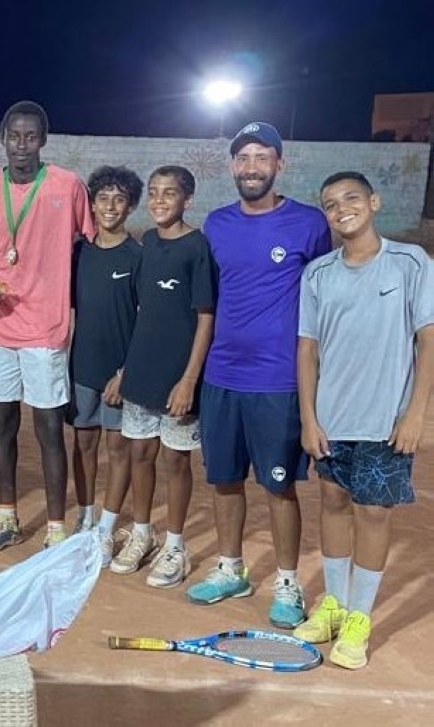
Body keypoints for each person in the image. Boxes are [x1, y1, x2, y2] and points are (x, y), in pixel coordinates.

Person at [185, 122, 332, 629]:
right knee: (224, 481)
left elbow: (324, 296)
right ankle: (231, 569)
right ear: (232, 166)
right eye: (243, 158)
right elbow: (208, 301)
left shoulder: (309, 224)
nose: (252, 167)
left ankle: (288, 582)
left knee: (278, 487)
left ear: (279, 165)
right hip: (222, 377)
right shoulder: (217, 224)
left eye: (262, 157)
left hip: (278, 382)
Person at [294, 171, 433, 669]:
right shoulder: (318, 274)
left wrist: (415, 414)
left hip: (385, 420)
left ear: (373, 202)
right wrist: (309, 418)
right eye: (330, 204)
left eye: (351, 198)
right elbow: (307, 350)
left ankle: (359, 619)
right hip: (332, 418)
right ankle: (334, 605)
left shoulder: (410, 262)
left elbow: (428, 341)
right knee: (333, 502)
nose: (342, 209)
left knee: (373, 513)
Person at [0, 100, 93, 553]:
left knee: (49, 427)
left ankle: (55, 526)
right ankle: (7, 516)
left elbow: (90, 243)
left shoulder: (67, 186)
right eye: (15, 136)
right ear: (3, 139)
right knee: (2, 425)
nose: (22, 145)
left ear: (43, 140)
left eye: (31, 136)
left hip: (46, 329)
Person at [111, 166, 215, 589]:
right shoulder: (148, 242)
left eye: (169, 193)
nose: (159, 200)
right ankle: (142, 534)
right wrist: (125, 370)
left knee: (175, 460)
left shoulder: (197, 247)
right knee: (140, 453)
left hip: (178, 378)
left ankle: (175, 545)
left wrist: (189, 379)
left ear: (187, 199)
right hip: (143, 369)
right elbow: (143, 312)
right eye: (153, 192)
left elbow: (205, 317)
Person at [67, 165, 142, 564]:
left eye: (119, 199)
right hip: (82, 367)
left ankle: (106, 529)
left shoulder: (138, 256)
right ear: (92, 204)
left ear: (130, 206)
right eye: (103, 198)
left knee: (118, 448)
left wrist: (125, 373)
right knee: (83, 444)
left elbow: (148, 321)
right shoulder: (78, 253)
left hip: (119, 374)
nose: (111, 206)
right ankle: (84, 519)